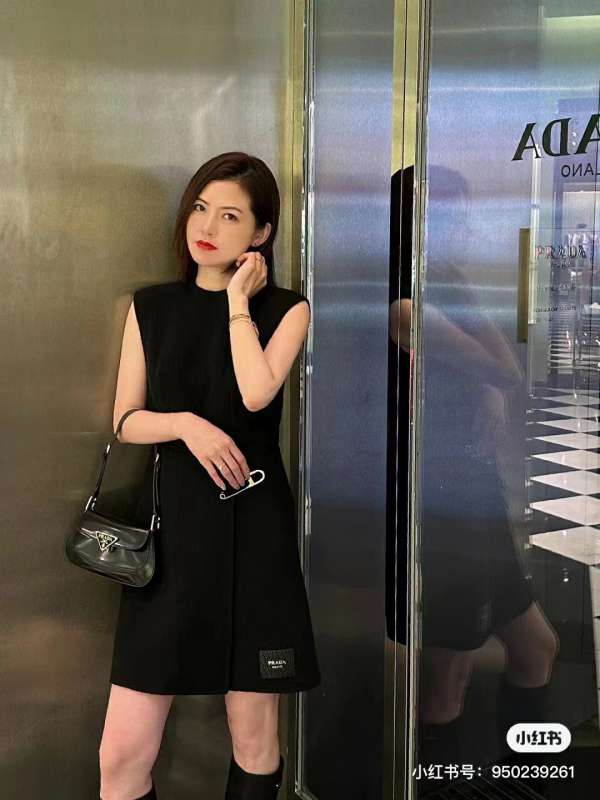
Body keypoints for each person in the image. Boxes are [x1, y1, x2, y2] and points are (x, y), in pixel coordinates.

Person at [98, 152, 321, 800]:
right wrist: (185, 425)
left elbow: (255, 393)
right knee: (120, 755)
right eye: (200, 208)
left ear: (260, 233)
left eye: (230, 216)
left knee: (254, 739)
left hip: (254, 537)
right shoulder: (152, 307)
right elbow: (125, 420)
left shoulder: (287, 309)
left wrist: (236, 303)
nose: (207, 226)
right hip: (170, 539)